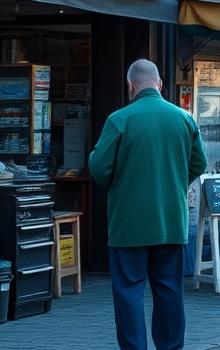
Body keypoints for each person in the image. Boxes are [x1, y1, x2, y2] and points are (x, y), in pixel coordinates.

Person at [89, 59, 208, 350]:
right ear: (160, 84)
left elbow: (98, 167)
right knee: (169, 290)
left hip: (128, 223)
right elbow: (199, 163)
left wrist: (123, 184)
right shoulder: (183, 118)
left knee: (129, 291)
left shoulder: (120, 119)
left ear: (130, 86)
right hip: (170, 220)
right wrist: (174, 182)